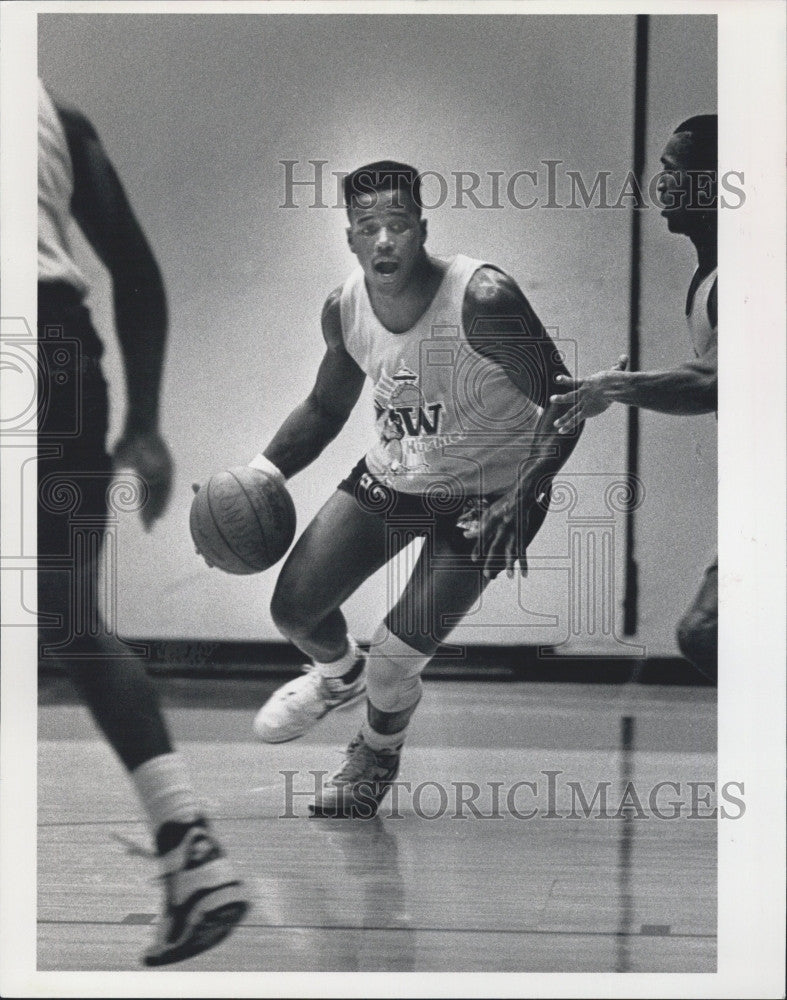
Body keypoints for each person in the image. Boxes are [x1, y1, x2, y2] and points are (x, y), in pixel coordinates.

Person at [244, 160, 580, 816]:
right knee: (293, 611)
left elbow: (564, 402)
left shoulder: (481, 298)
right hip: (397, 479)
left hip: (490, 496)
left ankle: (375, 748)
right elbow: (322, 408)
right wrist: (258, 475)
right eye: (368, 227)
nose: (384, 241)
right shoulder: (343, 307)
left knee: (394, 662)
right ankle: (338, 675)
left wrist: (525, 494)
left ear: (421, 227)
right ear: (348, 237)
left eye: (397, 224)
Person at [37, 79, 248, 964]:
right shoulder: (53, 110)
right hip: (59, 353)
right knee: (74, 622)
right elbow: (137, 268)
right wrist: (147, 425)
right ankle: (190, 851)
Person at [550, 115, 718, 681]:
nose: (660, 185)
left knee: (708, 632)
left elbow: (714, 383)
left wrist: (613, 386)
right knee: (709, 633)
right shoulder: (710, 277)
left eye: (673, 171)